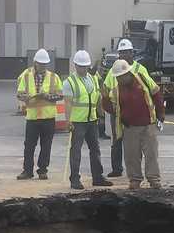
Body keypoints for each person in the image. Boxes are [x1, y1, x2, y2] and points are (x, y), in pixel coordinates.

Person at [103, 59, 165, 190]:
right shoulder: (116, 90)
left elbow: (156, 94)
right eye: (117, 77)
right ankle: (135, 179)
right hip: (130, 127)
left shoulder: (143, 79)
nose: (118, 80)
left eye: (120, 77)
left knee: (151, 154)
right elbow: (111, 109)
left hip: (148, 125)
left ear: (128, 74)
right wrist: (105, 99)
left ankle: (154, 179)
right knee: (131, 156)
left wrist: (161, 113)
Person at [102, 39, 157, 178]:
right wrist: (108, 105)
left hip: (138, 115)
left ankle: (141, 174)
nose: (124, 55)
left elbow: (152, 89)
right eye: (121, 53)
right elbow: (106, 88)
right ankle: (117, 169)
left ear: (132, 53)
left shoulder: (140, 69)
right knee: (116, 140)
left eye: (126, 52)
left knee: (136, 145)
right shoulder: (114, 69)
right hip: (117, 111)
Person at [63, 50, 114, 191]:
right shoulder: (69, 82)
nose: (83, 69)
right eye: (81, 66)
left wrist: (100, 113)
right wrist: (68, 121)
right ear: (75, 65)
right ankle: (74, 179)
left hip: (91, 120)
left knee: (95, 149)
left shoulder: (93, 79)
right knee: (76, 151)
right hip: (77, 122)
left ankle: (97, 177)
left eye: (85, 66)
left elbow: (97, 97)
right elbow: (68, 103)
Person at [15, 48, 64, 180]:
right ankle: (27, 171)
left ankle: (43, 170)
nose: (42, 66)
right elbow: (19, 94)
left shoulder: (54, 77)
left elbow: (60, 95)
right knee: (29, 146)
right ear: (35, 62)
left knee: (46, 146)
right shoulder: (26, 76)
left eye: (44, 64)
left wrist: (47, 96)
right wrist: (26, 97)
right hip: (32, 117)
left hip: (48, 117)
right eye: (40, 63)